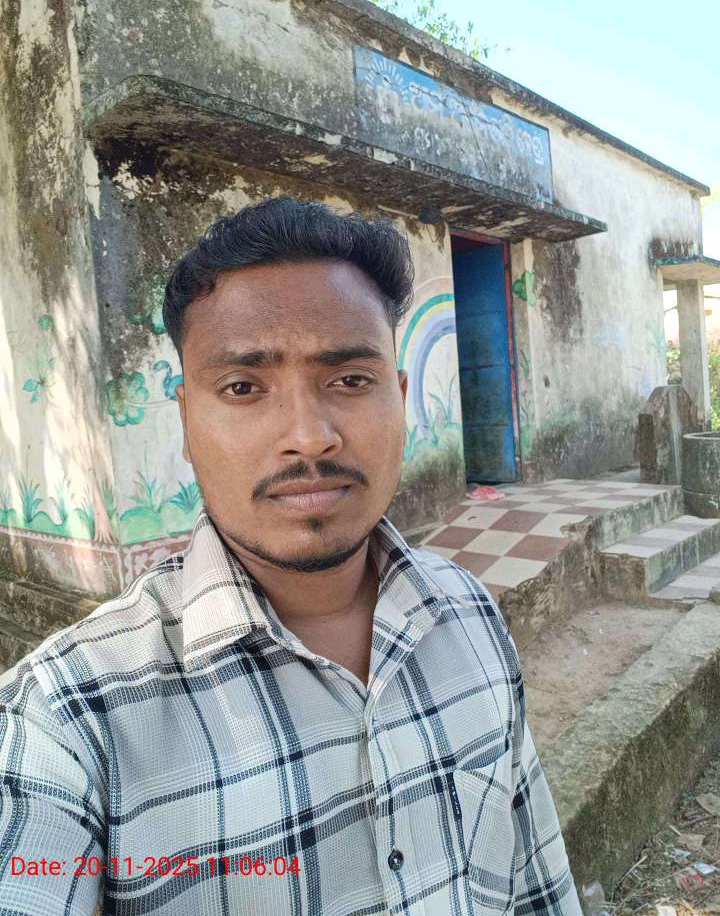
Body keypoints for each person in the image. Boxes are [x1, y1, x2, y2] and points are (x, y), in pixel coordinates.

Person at [0, 197, 582, 915]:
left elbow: (538, 885)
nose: (309, 437)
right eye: (244, 388)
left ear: (400, 398)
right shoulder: (64, 721)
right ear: (186, 420)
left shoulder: (469, 615)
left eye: (350, 380)